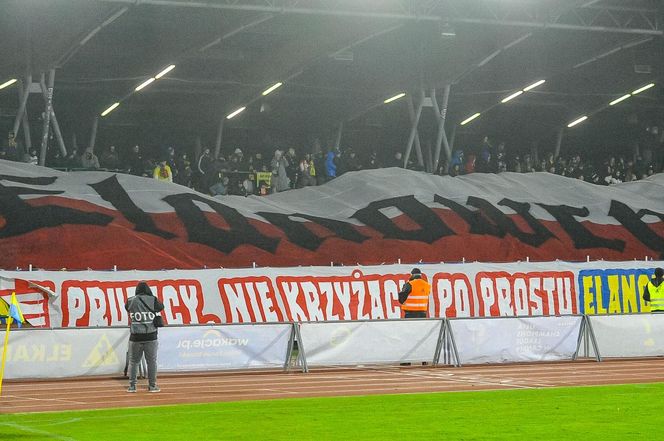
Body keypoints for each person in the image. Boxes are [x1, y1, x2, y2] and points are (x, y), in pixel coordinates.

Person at [125, 281, 164, 393]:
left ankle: (132, 386)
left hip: (135, 337)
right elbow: (161, 307)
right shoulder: (153, 300)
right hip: (151, 336)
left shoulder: (130, 301)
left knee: (133, 362)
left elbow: (127, 309)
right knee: (151, 362)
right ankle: (152, 386)